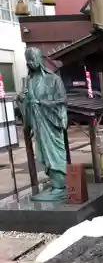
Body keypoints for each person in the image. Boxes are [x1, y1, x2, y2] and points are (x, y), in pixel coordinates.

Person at [17, 47, 68, 202]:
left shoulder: (53, 79)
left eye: (33, 59)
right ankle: (55, 186)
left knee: (55, 153)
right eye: (28, 61)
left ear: (40, 59)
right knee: (44, 155)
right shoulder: (29, 81)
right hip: (38, 123)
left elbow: (62, 100)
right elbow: (26, 102)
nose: (31, 63)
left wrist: (43, 103)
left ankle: (61, 186)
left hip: (50, 122)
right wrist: (21, 98)